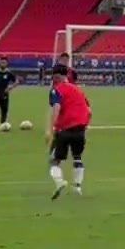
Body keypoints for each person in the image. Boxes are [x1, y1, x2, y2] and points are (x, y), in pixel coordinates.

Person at [47, 64, 92, 199]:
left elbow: (56, 108)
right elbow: (89, 111)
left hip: (64, 129)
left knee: (54, 160)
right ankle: (77, 187)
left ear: (56, 76)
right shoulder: (78, 90)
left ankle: (59, 182)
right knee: (77, 157)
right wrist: (85, 125)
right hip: (80, 129)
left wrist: (51, 129)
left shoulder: (57, 90)